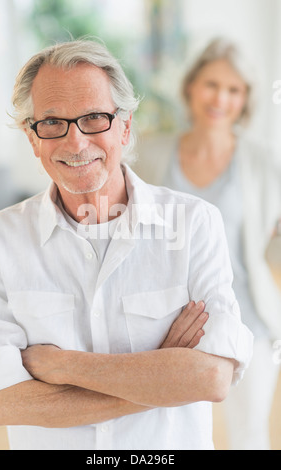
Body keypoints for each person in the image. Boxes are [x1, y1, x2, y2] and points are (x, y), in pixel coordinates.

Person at [0, 38, 252, 451]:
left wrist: (61, 366)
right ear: (32, 137)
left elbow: (212, 378)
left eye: (94, 118)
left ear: (125, 126)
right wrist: (161, 379)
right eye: (52, 122)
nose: (75, 142)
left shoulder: (195, 224)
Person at [134, 37, 281, 450]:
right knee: (165, 436)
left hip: (247, 320)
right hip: (168, 326)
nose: (221, 98)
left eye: (234, 90)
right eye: (211, 84)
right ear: (191, 88)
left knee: (249, 434)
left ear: (245, 100)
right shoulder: (150, 154)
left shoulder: (263, 162)